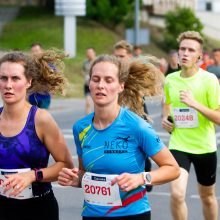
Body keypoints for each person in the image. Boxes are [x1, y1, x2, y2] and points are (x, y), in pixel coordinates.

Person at [58, 54, 180, 220]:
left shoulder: (137, 126)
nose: (101, 85)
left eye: (108, 80)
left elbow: (173, 169)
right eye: (96, 79)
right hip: (92, 215)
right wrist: (76, 179)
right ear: (90, 83)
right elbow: (86, 173)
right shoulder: (80, 127)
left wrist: (141, 178)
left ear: (120, 86)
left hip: (132, 214)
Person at [0, 50, 73, 220]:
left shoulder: (41, 119)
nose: (8, 85)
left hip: (37, 208)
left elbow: (66, 165)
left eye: (15, 78)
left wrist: (33, 175)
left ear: (28, 82)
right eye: (3, 78)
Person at [162, 31, 220, 220]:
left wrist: (194, 104)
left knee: (207, 197)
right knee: (177, 194)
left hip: (205, 147)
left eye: (190, 50)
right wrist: (166, 120)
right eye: (182, 49)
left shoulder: (209, 80)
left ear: (199, 56)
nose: (185, 53)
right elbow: (167, 104)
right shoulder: (170, 79)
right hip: (179, 145)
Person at [28, 42, 52, 109]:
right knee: (31, 118)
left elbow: (54, 77)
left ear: (42, 51)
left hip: (44, 97)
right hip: (31, 97)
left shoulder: (48, 65)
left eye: (37, 51)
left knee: (41, 118)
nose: (35, 53)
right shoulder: (28, 66)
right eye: (33, 51)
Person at [82, 47, 96, 114]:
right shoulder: (85, 62)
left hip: (96, 85)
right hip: (87, 85)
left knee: (96, 103)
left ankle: (96, 117)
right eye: (87, 52)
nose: (89, 54)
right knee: (88, 102)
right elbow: (83, 71)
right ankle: (88, 119)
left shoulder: (98, 61)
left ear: (94, 53)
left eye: (90, 52)